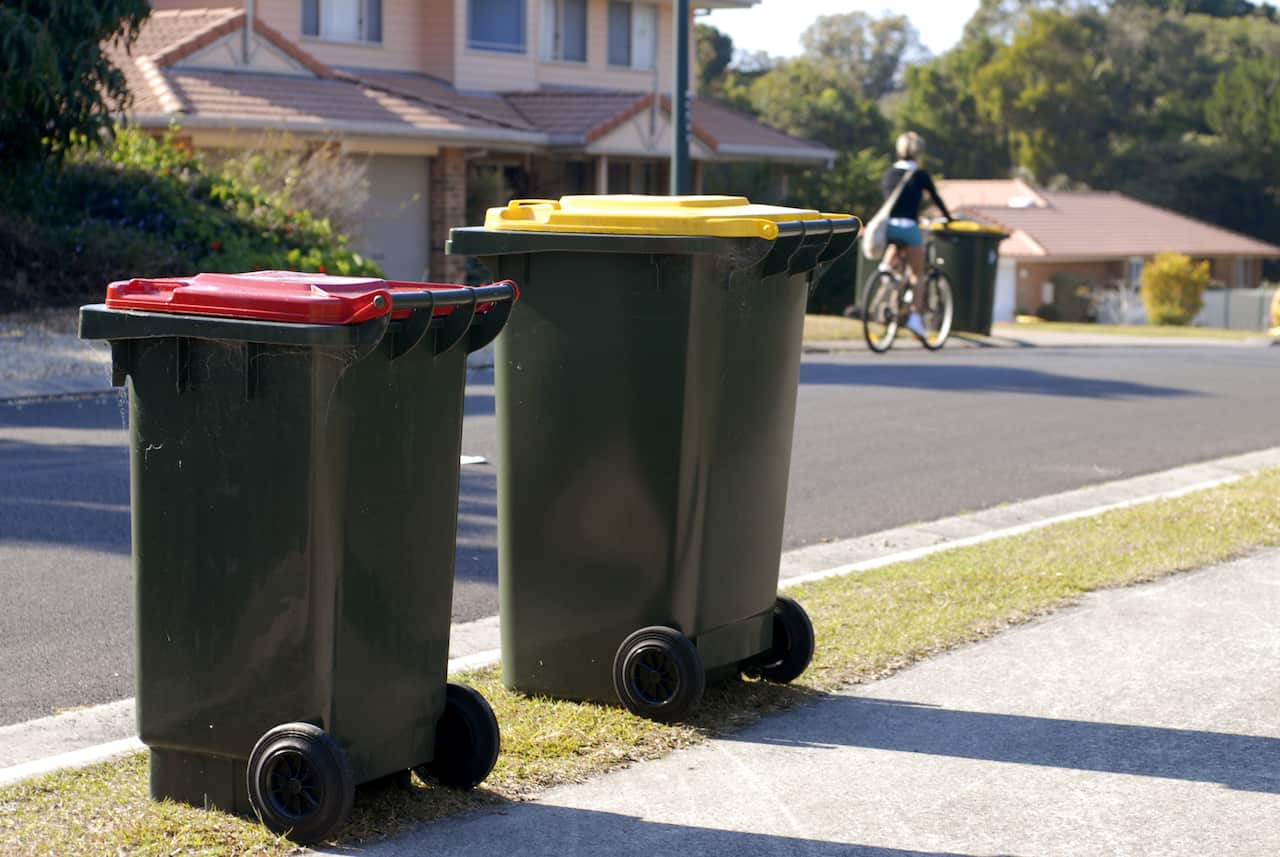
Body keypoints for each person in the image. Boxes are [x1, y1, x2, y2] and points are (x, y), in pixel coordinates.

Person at [880, 131, 952, 339]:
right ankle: (914, 316)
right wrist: (949, 219)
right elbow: (936, 199)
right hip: (909, 226)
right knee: (916, 274)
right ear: (919, 152)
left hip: (888, 227)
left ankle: (885, 273)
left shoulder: (888, 174)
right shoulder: (919, 175)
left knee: (895, 247)